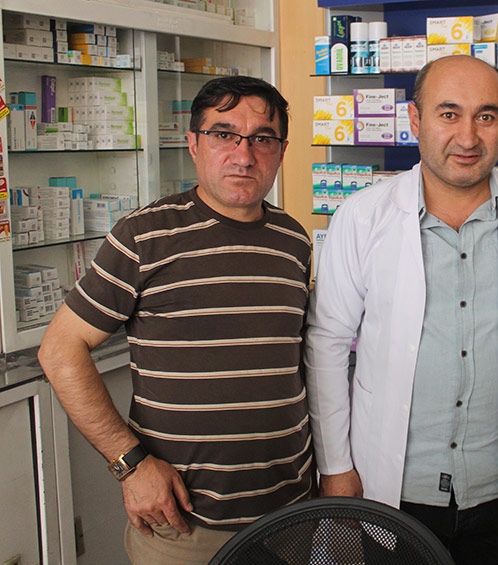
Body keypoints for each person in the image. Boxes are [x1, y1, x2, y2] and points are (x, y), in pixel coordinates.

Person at [304, 55, 498, 564]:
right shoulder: (363, 216)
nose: (468, 137)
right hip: (396, 486)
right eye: (449, 114)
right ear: (414, 119)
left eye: (486, 116)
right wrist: (335, 466)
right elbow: (327, 344)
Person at [38, 75, 313, 564]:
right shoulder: (145, 236)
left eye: (262, 139)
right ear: (193, 143)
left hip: (290, 512)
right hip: (185, 525)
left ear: (282, 151)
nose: (244, 155)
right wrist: (130, 463)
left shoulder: (294, 240)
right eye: (224, 135)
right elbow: (60, 350)